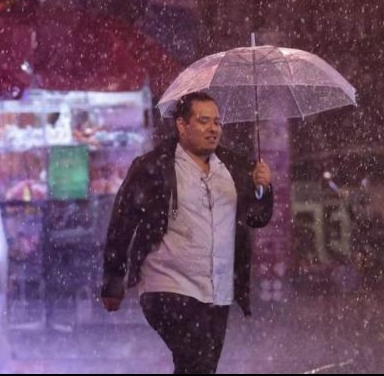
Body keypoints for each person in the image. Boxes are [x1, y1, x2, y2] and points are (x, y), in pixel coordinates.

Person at [101, 92, 274, 374]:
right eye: (203, 121)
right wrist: (113, 280)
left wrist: (263, 189)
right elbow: (122, 223)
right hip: (167, 287)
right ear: (182, 125)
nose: (213, 128)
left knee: (199, 366)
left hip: (217, 290)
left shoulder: (235, 168)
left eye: (217, 122)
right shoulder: (153, 167)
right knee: (197, 360)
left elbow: (257, 218)